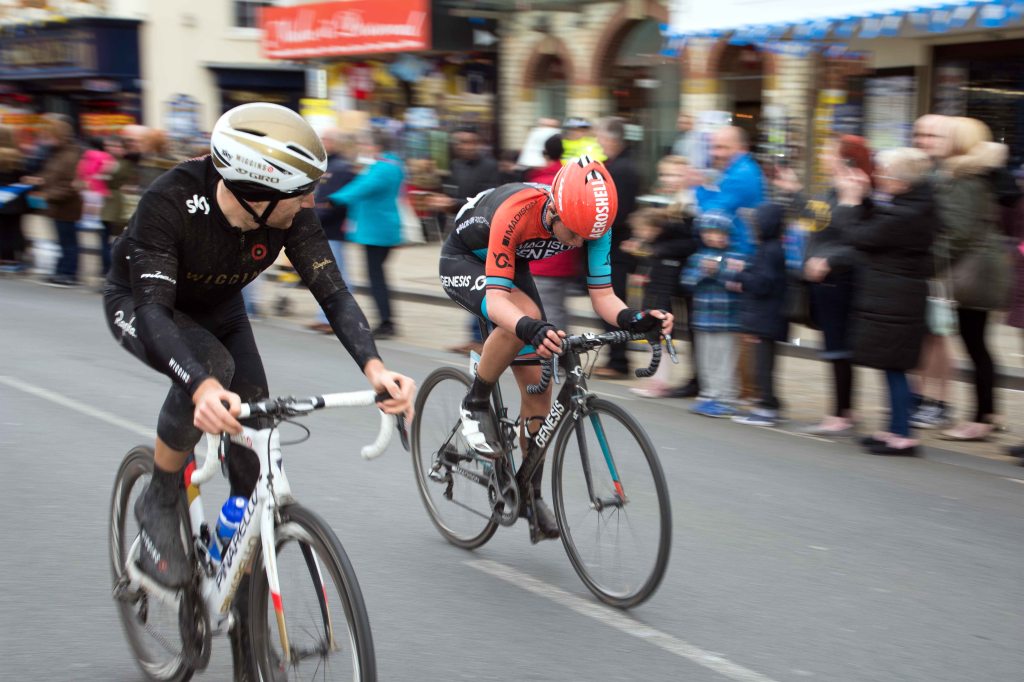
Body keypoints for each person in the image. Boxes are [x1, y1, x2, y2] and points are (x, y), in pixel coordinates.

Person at [102, 103, 414, 678]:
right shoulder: (171, 203)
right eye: (301, 193)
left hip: (219, 309)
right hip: (144, 309)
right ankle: (161, 495)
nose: (310, 204)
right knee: (210, 369)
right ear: (256, 190)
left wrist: (375, 369)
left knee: (255, 451)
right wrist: (198, 387)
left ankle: (248, 635)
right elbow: (153, 312)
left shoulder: (286, 211)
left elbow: (334, 292)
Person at [439, 154, 673, 539]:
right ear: (554, 209)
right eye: (574, 234)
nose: (581, 242)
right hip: (465, 259)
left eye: (588, 236)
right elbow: (499, 302)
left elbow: (602, 296)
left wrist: (636, 319)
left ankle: (529, 493)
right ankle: (476, 400)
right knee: (521, 320)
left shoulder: (594, 223)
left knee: (539, 391)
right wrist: (527, 325)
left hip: (510, 264)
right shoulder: (517, 211)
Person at [836, 148, 936, 455]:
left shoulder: (906, 213)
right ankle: (894, 427)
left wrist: (848, 204)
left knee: (894, 366)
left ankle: (903, 435)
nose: (879, 177)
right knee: (890, 364)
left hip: (896, 297)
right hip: (893, 294)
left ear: (902, 182)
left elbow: (861, 236)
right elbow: (876, 225)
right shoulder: (913, 204)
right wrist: (865, 199)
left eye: (884, 173)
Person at [934, 117, 1010, 441]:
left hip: (973, 271)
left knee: (975, 344)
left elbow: (960, 231)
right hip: (980, 267)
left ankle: (981, 419)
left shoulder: (965, 176)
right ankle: (987, 413)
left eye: (946, 135)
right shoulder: (975, 173)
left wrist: (931, 260)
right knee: (978, 345)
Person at [794, 135, 874, 435]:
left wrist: (829, 261)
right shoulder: (833, 190)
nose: (823, 157)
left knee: (838, 346)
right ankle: (845, 409)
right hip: (825, 280)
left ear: (846, 158)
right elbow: (817, 223)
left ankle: (840, 413)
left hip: (841, 279)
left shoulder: (856, 192)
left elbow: (856, 240)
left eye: (828, 152)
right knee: (834, 345)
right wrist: (795, 193)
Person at [430, 126, 502, 353]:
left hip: (487, 234)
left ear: (478, 143)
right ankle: (478, 337)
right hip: (464, 234)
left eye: (470, 142)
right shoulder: (456, 165)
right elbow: (452, 194)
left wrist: (452, 203)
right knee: (474, 284)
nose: (466, 146)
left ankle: (487, 338)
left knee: (486, 284)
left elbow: (487, 200)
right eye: (461, 142)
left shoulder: (490, 166)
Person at [328, 129, 405, 339]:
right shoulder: (392, 164)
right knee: (377, 275)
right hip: (381, 228)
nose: (364, 148)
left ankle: (387, 323)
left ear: (377, 146)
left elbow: (363, 187)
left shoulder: (382, 168)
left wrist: (333, 198)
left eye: (366, 144)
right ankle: (386, 320)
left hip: (377, 231)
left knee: (376, 277)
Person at [908, 114, 956, 428]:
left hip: (939, 267)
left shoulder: (950, 174)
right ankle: (920, 397)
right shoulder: (920, 170)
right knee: (921, 335)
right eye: (920, 134)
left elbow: (952, 228)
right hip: (917, 263)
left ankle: (939, 401)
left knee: (937, 335)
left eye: (932, 135)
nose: (924, 140)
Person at [681, 210, 747, 417]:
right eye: (708, 232)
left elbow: (740, 282)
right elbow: (686, 282)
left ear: (728, 234)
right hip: (702, 318)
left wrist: (717, 271)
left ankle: (726, 398)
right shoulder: (697, 257)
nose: (713, 236)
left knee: (724, 359)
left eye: (719, 232)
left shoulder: (737, 257)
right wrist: (702, 272)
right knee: (705, 358)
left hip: (728, 319)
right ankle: (709, 394)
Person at [728, 203, 789, 426]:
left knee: (764, 364)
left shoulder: (770, 250)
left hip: (767, 317)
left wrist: (740, 274)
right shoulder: (769, 247)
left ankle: (768, 407)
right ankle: (769, 402)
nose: (753, 228)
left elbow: (763, 284)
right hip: (766, 316)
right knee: (764, 363)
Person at [593, 116, 641, 378]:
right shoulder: (618, 165)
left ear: (612, 138)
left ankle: (619, 361)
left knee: (613, 302)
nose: (599, 142)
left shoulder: (621, 169)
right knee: (610, 301)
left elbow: (615, 211)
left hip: (615, 246)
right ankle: (616, 356)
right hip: (614, 246)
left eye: (601, 137)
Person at [527, 134, 580, 333]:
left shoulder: (538, 182)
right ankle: (564, 357)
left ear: (544, 154)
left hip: (543, 260)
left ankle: (558, 359)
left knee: (550, 313)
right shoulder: (570, 181)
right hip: (567, 257)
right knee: (559, 309)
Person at [23, 118, 83, 286]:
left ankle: (69, 274)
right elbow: (53, 176)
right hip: (57, 206)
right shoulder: (57, 153)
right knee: (62, 240)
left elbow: (70, 185)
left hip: (67, 206)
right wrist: (39, 180)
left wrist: (47, 195)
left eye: (48, 135)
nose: (45, 139)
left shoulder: (70, 155)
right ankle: (61, 270)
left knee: (68, 241)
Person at [309, 128, 356, 333]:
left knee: (338, 276)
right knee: (325, 275)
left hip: (332, 229)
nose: (323, 142)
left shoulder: (342, 167)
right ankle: (325, 317)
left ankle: (342, 319)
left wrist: (318, 217)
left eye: (326, 139)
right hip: (323, 228)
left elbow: (337, 202)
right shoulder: (326, 165)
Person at [0, 125, 28, 269]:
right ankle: (19, 257)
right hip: (16, 198)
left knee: (2, 229)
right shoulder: (18, 156)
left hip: (1, 199)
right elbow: (23, 177)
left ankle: (5, 257)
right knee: (16, 229)